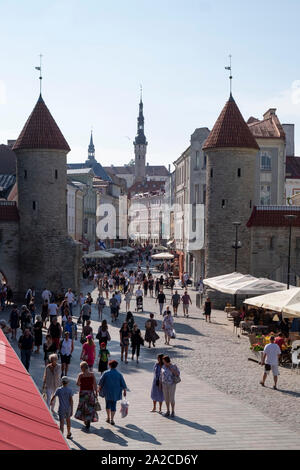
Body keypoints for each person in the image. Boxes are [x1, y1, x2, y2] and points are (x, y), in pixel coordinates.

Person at [98, 360, 127, 425]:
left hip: (107, 391)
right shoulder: (119, 374)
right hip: (115, 392)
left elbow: (100, 382)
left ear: (109, 365)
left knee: (107, 404)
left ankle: (108, 417)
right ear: (116, 366)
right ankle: (112, 419)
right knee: (113, 405)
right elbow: (123, 384)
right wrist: (124, 391)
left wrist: (98, 389)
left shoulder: (105, 373)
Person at [75, 361, 98, 431]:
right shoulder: (92, 374)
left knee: (83, 407)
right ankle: (88, 421)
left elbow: (77, 383)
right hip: (90, 393)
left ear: (82, 368)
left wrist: (82, 384)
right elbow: (95, 384)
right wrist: (96, 392)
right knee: (90, 407)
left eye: (80, 367)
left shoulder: (80, 375)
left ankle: (85, 420)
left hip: (83, 393)